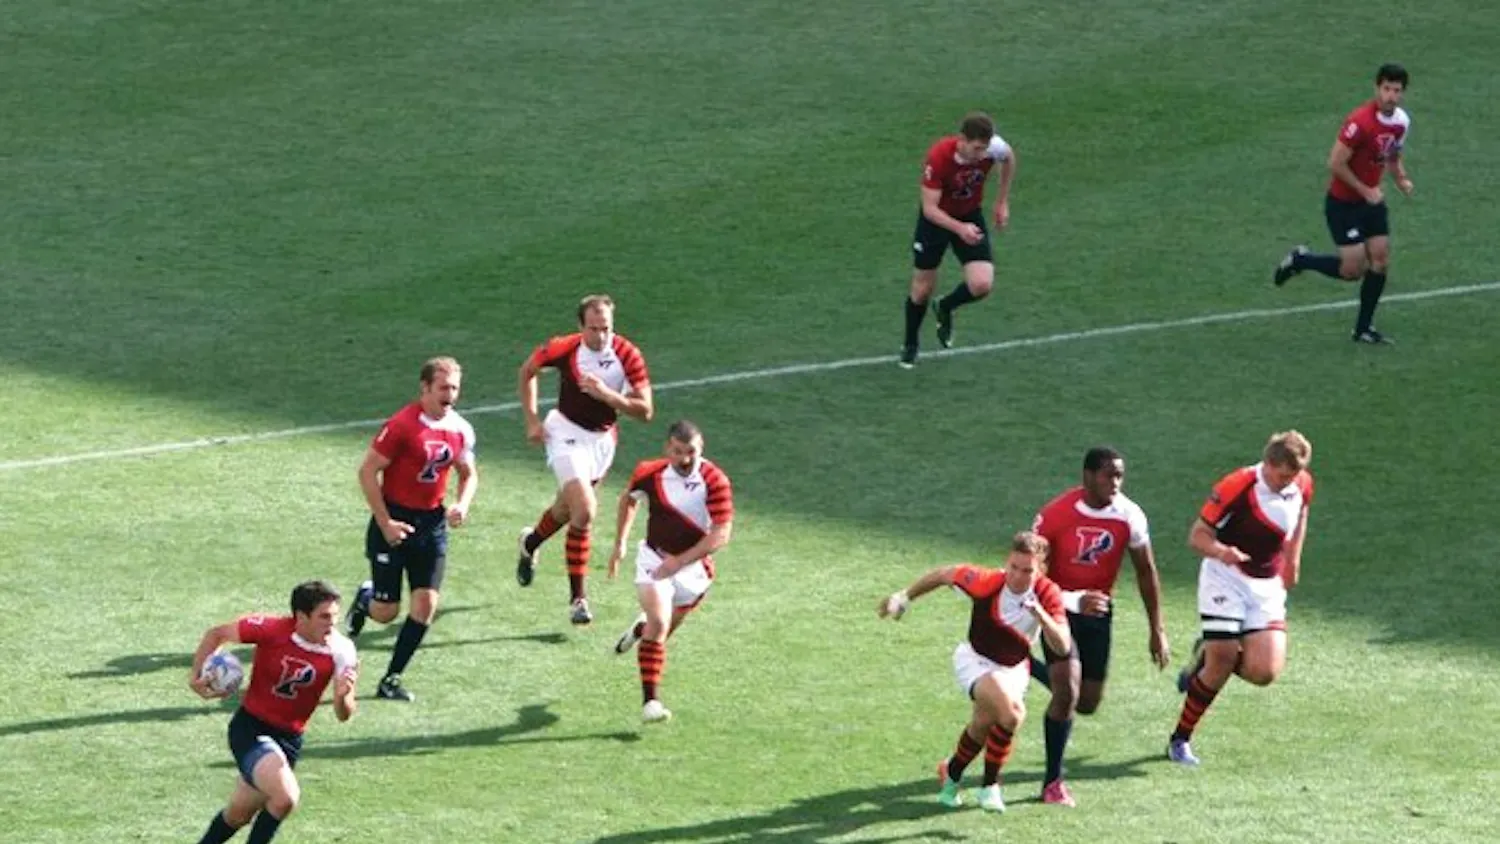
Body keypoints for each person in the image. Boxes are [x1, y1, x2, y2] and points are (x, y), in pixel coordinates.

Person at [876, 532, 1069, 814]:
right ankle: (990, 786)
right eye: (1013, 567)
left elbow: (1062, 645)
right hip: (975, 660)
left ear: (1042, 570)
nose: (1017, 576)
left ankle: (951, 773)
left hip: (1014, 668)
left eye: (1027, 570)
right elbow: (944, 574)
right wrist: (903, 598)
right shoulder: (986, 582)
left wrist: (1040, 615)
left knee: (982, 725)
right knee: (1013, 714)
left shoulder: (1047, 593)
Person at [1027, 447, 1169, 807]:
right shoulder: (1054, 514)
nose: (1116, 483)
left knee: (1087, 703)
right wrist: (1073, 600)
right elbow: (1032, 577)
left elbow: (1146, 572)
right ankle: (1052, 783)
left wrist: (1157, 629)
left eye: (1120, 475)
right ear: (1088, 475)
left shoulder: (1130, 515)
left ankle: (1025, 664)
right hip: (1056, 608)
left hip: (1097, 614)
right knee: (1067, 695)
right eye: (1109, 475)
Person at [1167, 431, 1314, 767]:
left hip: (1266, 584)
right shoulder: (1238, 485)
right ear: (1268, 464)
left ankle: (1206, 654)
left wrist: (1292, 560)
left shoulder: (1302, 481)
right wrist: (1223, 551)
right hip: (1225, 578)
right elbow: (1197, 536)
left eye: (1294, 476)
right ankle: (1180, 739)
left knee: (1264, 673)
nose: (1289, 482)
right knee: (1223, 659)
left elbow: (1302, 512)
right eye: (1282, 476)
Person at [343, 356, 478, 703]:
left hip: (431, 525)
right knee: (386, 613)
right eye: (443, 388)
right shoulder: (402, 425)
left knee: (426, 606)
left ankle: (391, 678)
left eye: (455, 388)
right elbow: (367, 471)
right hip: (395, 520)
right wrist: (385, 521)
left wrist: (462, 504)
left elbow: (468, 472)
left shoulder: (460, 429)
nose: (450, 395)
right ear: (425, 388)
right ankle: (364, 600)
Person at [516, 294, 654, 625]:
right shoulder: (566, 348)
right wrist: (532, 420)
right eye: (593, 329)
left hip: (602, 443)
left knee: (567, 510)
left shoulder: (627, 354)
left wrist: (608, 396)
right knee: (586, 510)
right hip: (564, 434)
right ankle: (578, 599)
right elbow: (528, 370)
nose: (601, 336)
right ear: (581, 327)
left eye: (606, 328)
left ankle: (530, 542)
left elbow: (646, 411)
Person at [188, 580, 358, 844]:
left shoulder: (342, 650)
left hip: (289, 741)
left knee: (238, 815)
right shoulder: (271, 629)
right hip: (251, 729)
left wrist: (342, 697)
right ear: (301, 616)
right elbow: (216, 634)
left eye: (335, 616)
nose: (332, 624)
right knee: (285, 797)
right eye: (324, 616)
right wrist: (196, 677)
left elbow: (344, 714)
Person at [1273, 63, 1413, 344]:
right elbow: (1335, 163)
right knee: (1353, 271)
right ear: (1377, 88)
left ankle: (1363, 328)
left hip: (1371, 201)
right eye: (1386, 89)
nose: (1390, 96)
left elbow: (1393, 153)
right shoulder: (1359, 122)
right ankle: (1300, 260)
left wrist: (1400, 178)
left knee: (1381, 260)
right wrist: (1365, 189)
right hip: (1343, 204)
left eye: (1396, 91)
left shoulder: (1401, 122)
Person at [605, 420, 734, 723]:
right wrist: (620, 542)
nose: (684, 459)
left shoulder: (715, 481)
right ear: (667, 448)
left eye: (691, 452)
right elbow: (628, 499)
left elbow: (721, 534)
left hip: (693, 570)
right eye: (678, 452)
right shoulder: (649, 473)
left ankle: (640, 629)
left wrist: (681, 560)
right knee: (660, 625)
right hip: (654, 559)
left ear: (700, 450)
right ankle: (650, 703)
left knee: (658, 634)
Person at [899, 111, 1017, 368]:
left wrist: (1002, 201)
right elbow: (930, 209)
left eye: (985, 149)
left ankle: (945, 306)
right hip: (937, 221)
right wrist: (959, 228)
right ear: (962, 139)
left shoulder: (991, 148)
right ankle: (910, 344)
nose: (981, 154)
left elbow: (1008, 158)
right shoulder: (939, 158)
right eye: (976, 148)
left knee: (982, 284)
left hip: (969, 215)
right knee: (922, 289)